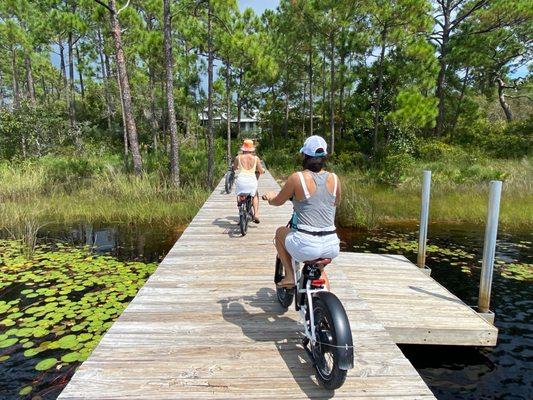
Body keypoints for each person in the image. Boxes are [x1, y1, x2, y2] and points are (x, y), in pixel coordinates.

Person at [262, 135, 340, 289]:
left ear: (304, 155)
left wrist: (270, 198)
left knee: (279, 233)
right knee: (320, 270)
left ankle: (290, 276)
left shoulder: (297, 178)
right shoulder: (335, 178)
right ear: (324, 156)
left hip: (307, 244)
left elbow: (278, 201)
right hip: (331, 244)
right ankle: (325, 301)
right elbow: (334, 202)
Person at [234, 139, 264, 223]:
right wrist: (263, 171)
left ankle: (241, 211)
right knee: (255, 195)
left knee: (240, 195)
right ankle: (256, 214)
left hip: (241, 181)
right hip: (251, 181)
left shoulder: (238, 157)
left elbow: (234, 168)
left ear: (243, 148)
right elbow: (261, 171)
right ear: (252, 149)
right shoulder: (255, 158)